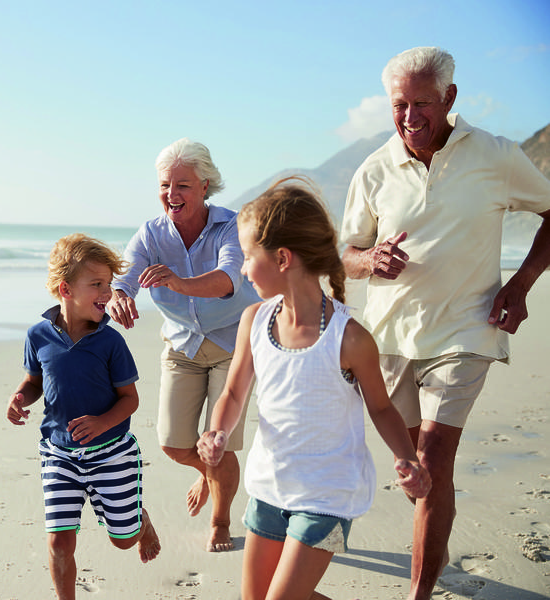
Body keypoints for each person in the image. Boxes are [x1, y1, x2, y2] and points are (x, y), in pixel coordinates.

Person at [340, 46, 550, 600]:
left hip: (467, 329)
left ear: (450, 98)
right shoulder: (374, 168)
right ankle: (436, 523)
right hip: (389, 339)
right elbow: (346, 253)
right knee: (417, 476)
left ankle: (419, 593)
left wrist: (521, 284)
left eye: (421, 104)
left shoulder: (496, 156)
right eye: (399, 105)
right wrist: (370, 261)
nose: (410, 118)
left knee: (432, 462)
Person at [197, 177, 432, 600]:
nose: (243, 269)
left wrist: (407, 458)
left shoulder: (350, 339)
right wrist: (218, 432)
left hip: (327, 494)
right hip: (269, 485)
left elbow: (380, 408)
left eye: (249, 257)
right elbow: (233, 394)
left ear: (283, 258)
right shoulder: (254, 321)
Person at [107, 138, 261, 552]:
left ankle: (221, 521)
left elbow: (229, 278)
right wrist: (119, 295)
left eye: (183, 186)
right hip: (182, 348)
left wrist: (177, 281)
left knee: (217, 442)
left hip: (234, 346)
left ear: (206, 185)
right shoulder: (151, 234)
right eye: (164, 185)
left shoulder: (231, 225)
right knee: (175, 444)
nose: (171, 195)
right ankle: (208, 471)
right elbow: (123, 277)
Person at [6, 233, 161, 600]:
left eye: (109, 284)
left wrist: (103, 423)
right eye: (97, 284)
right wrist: (20, 397)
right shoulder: (38, 336)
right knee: (60, 541)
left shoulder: (111, 342)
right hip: (58, 454)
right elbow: (34, 381)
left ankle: (140, 520)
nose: (107, 293)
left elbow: (130, 399)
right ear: (65, 288)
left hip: (113, 452)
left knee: (122, 540)